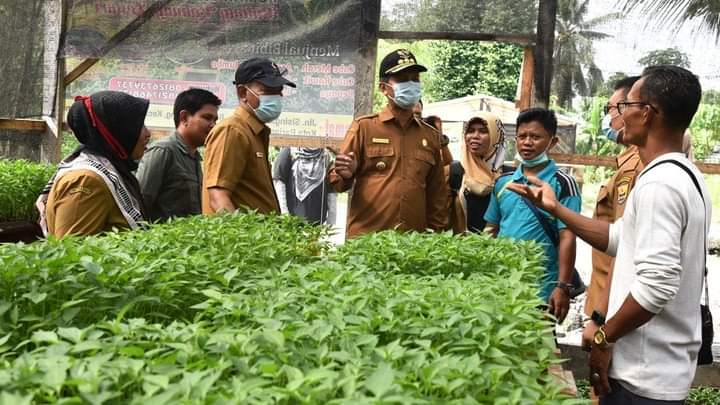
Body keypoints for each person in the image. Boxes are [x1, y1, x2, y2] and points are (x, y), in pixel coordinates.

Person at [508, 66, 709, 404]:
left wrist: (604, 337)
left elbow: (657, 285)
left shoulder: (659, 185)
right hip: (656, 369)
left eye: (624, 106)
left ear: (646, 113)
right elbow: (620, 238)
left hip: (643, 375)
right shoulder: (682, 174)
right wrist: (556, 209)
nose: (617, 115)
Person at [329, 49, 448, 239]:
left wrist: (436, 238)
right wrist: (346, 174)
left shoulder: (430, 136)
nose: (411, 84)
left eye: (415, 78)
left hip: (413, 244)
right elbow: (337, 183)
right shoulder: (364, 128)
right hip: (367, 241)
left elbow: (437, 196)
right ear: (384, 88)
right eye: (402, 79)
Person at [484, 108, 581, 323]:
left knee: (538, 339)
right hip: (502, 283)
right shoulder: (503, 182)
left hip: (542, 287)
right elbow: (491, 230)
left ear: (553, 142)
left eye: (536, 137)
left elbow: (568, 237)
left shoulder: (563, 183)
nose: (527, 142)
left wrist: (562, 287)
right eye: (522, 136)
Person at [37, 91, 151, 237]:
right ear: (116, 131)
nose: (147, 134)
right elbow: (71, 248)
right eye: (139, 125)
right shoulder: (86, 180)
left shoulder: (112, 169)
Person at [584, 76, 643, 330]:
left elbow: (623, 244)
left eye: (613, 108)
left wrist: (599, 317)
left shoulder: (635, 167)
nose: (609, 117)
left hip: (613, 307)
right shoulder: (628, 162)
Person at [202, 58, 295, 214]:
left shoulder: (255, 133)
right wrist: (240, 230)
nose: (276, 96)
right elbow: (218, 197)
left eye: (279, 90)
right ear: (243, 92)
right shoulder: (232, 131)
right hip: (240, 231)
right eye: (268, 90)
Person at [137, 88, 221, 221]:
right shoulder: (163, 151)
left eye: (215, 120)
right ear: (184, 117)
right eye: (207, 118)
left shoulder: (195, 157)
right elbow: (139, 204)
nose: (213, 125)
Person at [447, 112, 508, 233]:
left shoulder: (509, 176)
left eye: (483, 131)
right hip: (461, 243)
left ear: (496, 136)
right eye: (470, 131)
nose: (475, 136)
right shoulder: (454, 172)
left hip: (500, 244)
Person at [272, 146, 337, 225]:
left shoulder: (326, 156)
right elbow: (279, 183)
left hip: (317, 223)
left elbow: (332, 190)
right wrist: (284, 213)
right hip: (291, 222)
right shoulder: (289, 152)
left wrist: (331, 221)